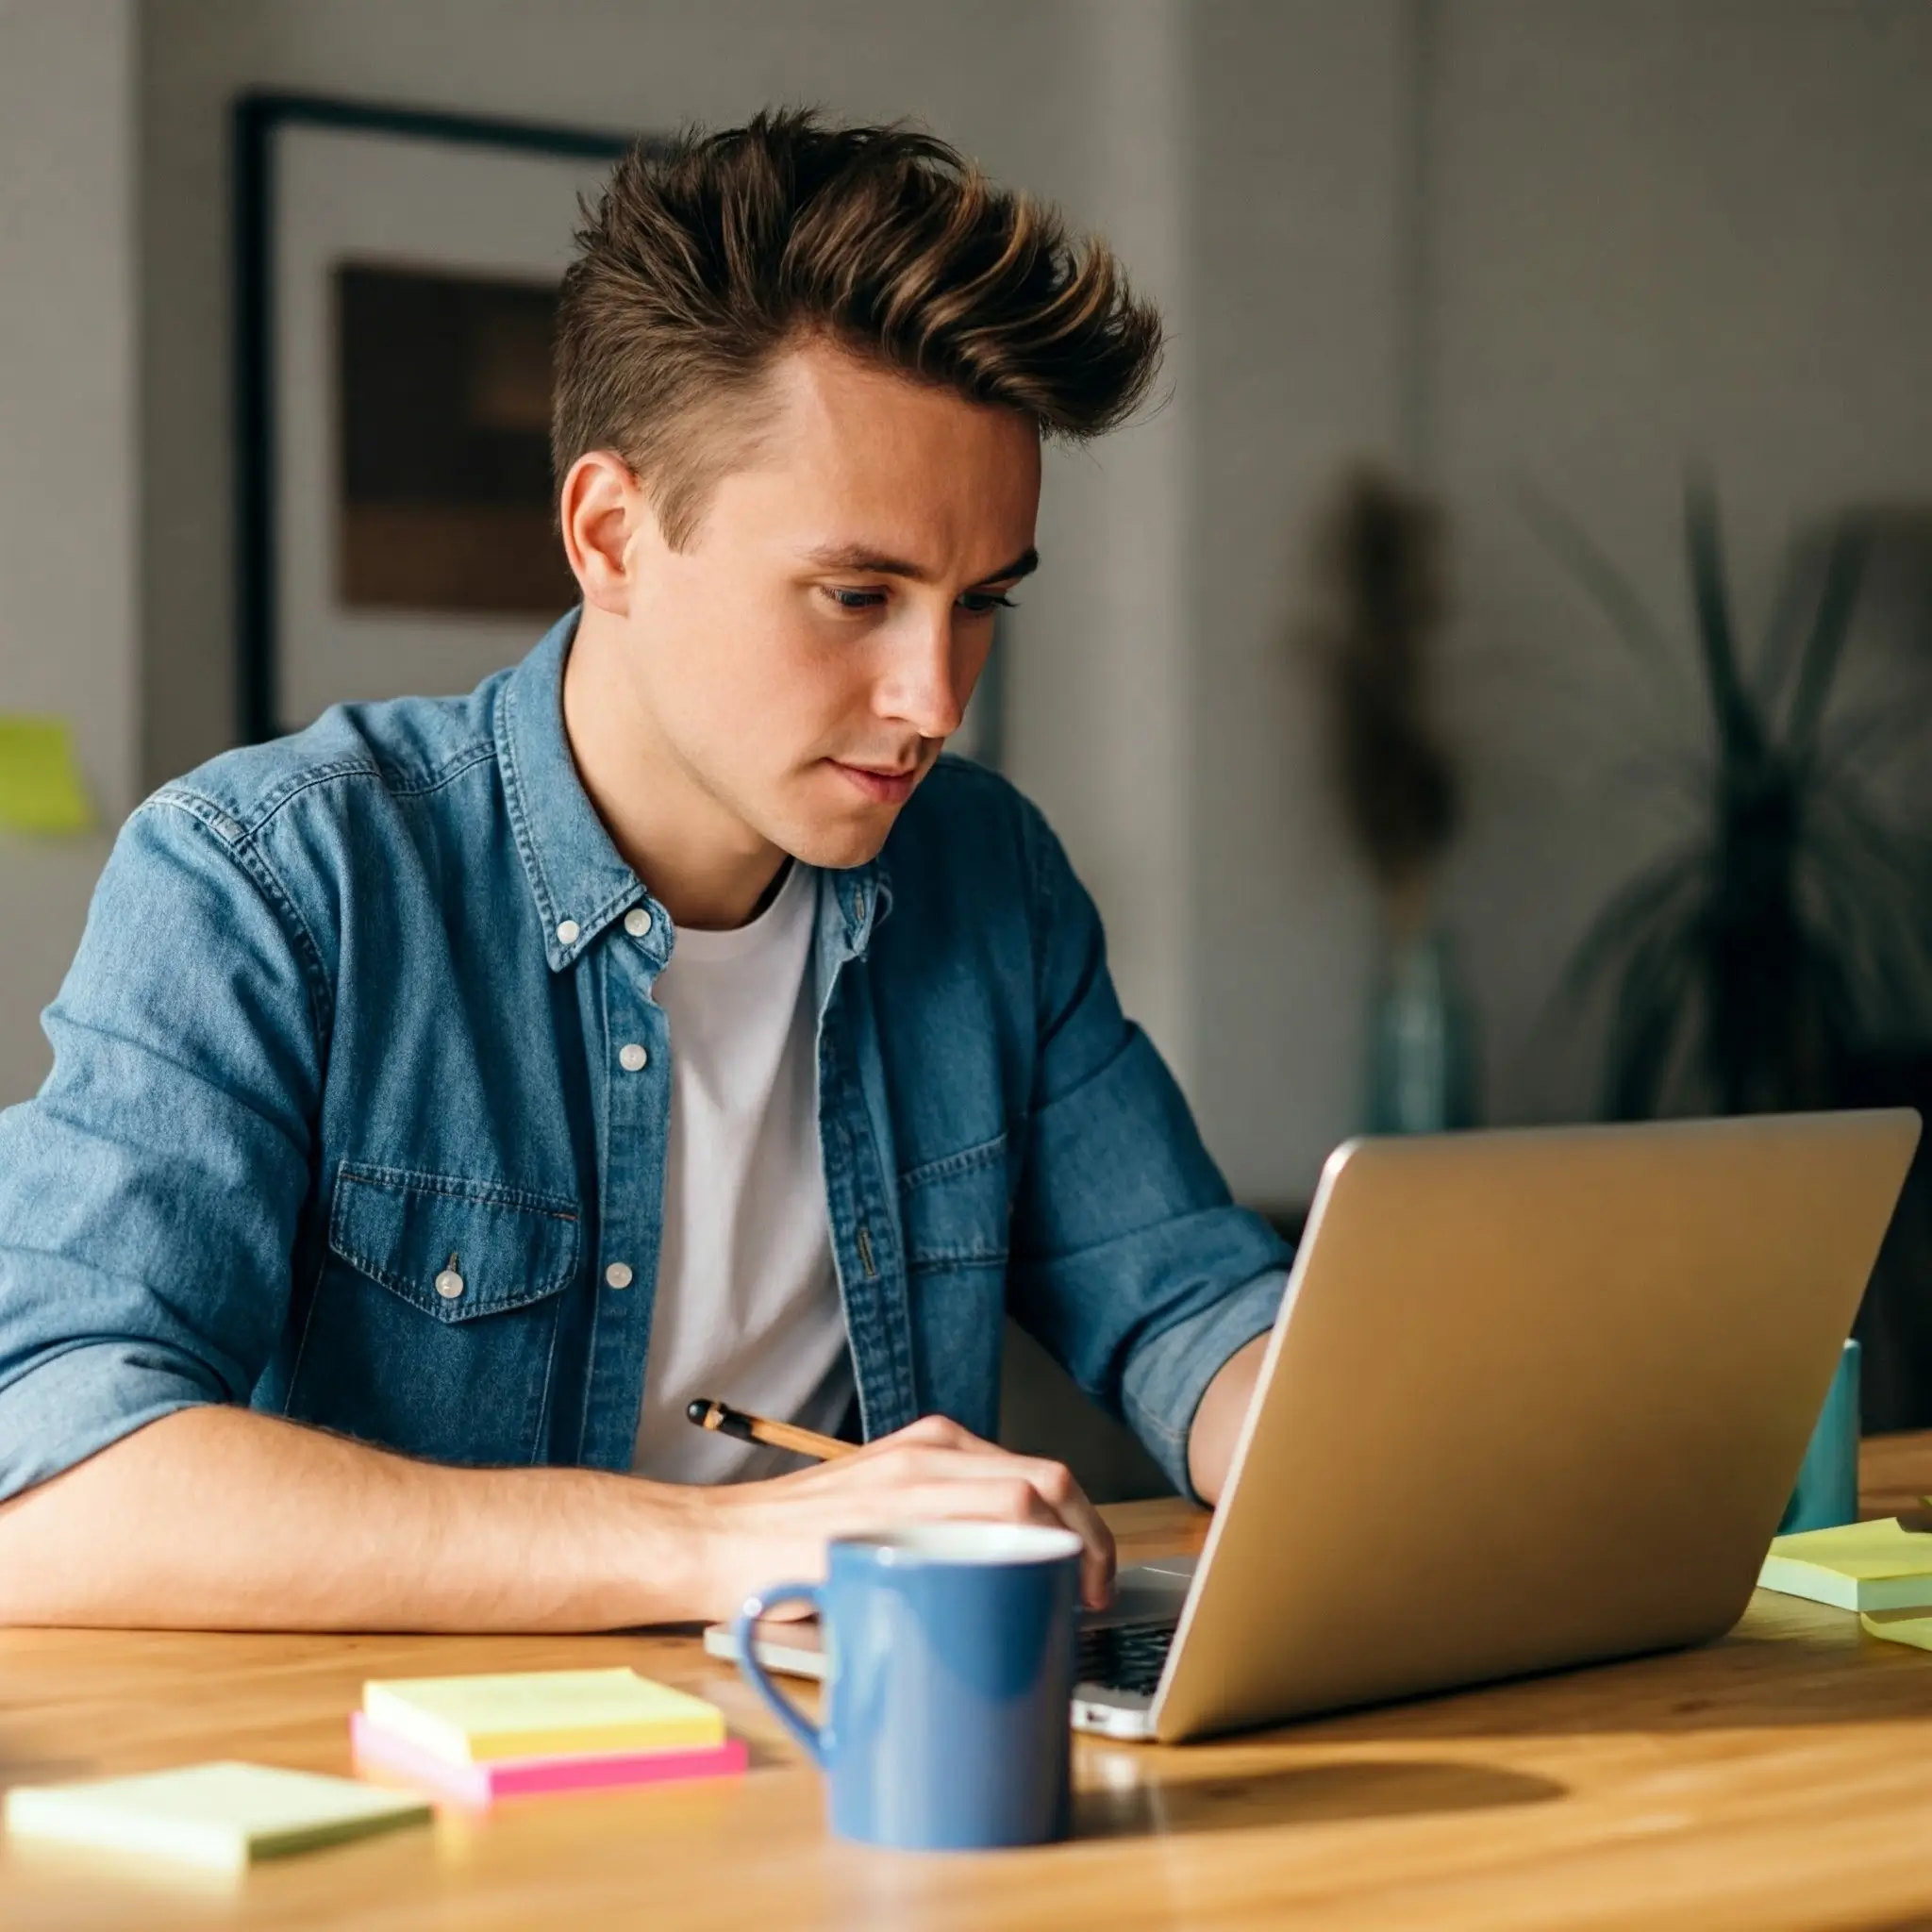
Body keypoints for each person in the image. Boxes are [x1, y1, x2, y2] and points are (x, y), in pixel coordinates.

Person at [0, 110, 1291, 1631]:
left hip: (861, 1775)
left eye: (979, 602)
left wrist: (1387, 1460)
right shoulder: (274, 879)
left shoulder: (987, 877)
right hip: (430, 1813)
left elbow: (1195, 1309)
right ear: (612, 534)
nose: (936, 699)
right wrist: (729, 1548)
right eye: (857, 594)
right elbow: (48, 1482)